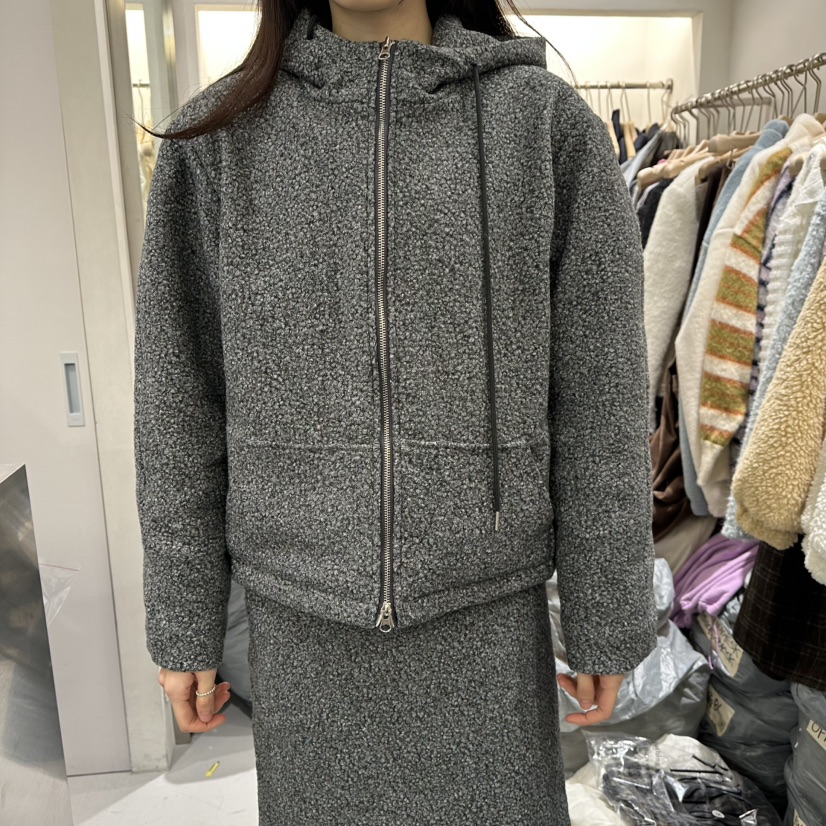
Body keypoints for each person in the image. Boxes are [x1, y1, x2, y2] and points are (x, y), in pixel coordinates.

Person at [133, 1, 658, 823]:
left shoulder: (545, 128)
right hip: (305, 631)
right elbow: (177, 402)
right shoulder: (219, 139)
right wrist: (184, 618)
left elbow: (601, 396)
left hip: (487, 627)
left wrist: (607, 608)